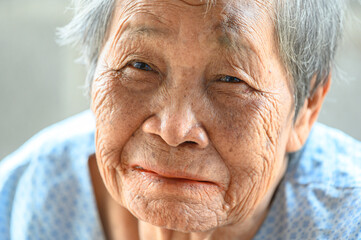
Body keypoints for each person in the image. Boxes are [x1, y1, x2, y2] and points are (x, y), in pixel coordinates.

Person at [1, 0, 360, 239]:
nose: (174, 129)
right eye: (139, 66)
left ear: (308, 106)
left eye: (231, 79)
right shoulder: (23, 197)